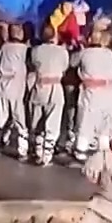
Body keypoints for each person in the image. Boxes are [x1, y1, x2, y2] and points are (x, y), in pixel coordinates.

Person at [0, 22, 31, 159]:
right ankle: (22, 151)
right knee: (20, 120)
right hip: (16, 88)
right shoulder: (24, 49)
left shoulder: (3, 48)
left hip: (2, 86)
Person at [70, 27, 112, 158]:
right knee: (105, 126)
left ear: (89, 39)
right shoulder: (109, 53)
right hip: (110, 95)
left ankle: (81, 152)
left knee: (86, 123)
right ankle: (103, 153)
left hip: (92, 96)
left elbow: (72, 62)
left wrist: (78, 48)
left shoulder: (84, 53)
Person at [27, 25, 71, 166]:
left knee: (37, 121)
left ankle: (38, 150)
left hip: (39, 88)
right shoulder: (62, 52)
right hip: (55, 89)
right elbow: (64, 68)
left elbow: (33, 65)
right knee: (53, 122)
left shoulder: (35, 51)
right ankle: (47, 155)